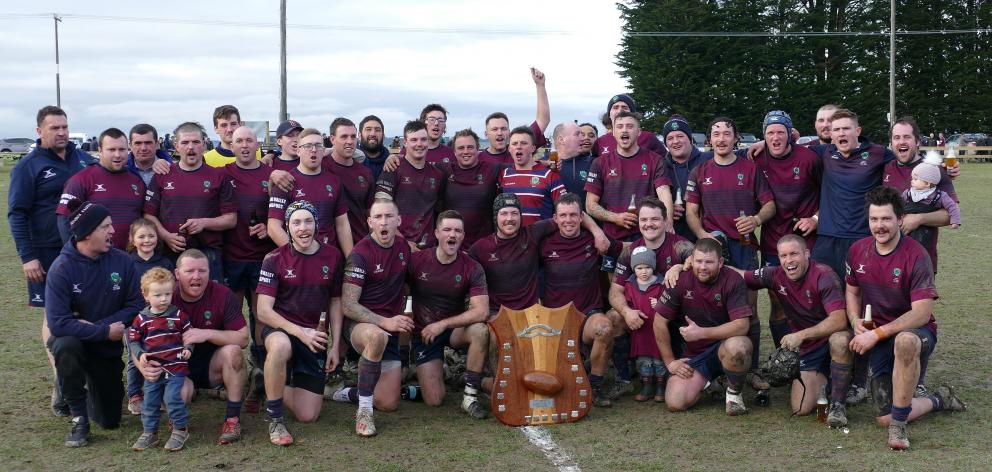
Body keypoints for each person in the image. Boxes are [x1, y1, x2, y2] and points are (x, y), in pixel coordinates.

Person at [845, 187, 966, 450]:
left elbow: (921, 313)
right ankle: (939, 400)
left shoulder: (916, 254)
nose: (880, 226)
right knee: (883, 418)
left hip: (916, 332)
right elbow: (852, 290)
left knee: (905, 342)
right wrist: (855, 320)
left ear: (900, 219)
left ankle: (899, 429)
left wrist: (876, 334)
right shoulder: (857, 250)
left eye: (886, 219)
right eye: (874, 219)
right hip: (879, 336)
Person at [8, 105, 96, 417]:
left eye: (64, 127)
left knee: (83, 309)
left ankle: (83, 377)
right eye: (54, 128)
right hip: (45, 253)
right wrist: (27, 256)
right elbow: (16, 213)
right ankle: (63, 380)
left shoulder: (82, 159)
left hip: (83, 251)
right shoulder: (28, 166)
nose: (61, 133)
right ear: (39, 131)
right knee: (54, 313)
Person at [713, 235, 853, 424]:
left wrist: (801, 335)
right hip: (809, 349)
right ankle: (831, 378)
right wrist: (691, 265)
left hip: (828, 339)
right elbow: (740, 275)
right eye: (783, 256)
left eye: (794, 254)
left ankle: (838, 405)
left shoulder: (823, 275)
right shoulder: (775, 274)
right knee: (800, 408)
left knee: (840, 340)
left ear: (807, 254)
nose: (789, 261)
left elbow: (839, 320)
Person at [686, 117, 775, 391]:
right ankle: (722, 369)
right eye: (716, 134)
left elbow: (769, 205)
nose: (721, 138)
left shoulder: (751, 169)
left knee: (748, 312)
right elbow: (691, 213)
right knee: (715, 311)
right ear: (708, 140)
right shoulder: (699, 171)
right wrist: (704, 237)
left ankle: (753, 369)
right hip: (715, 250)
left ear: (736, 138)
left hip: (745, 248)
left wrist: (756, 220)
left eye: (727, 133)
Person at [46, 202, 144, 446]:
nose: (113, 231)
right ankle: (78, 417)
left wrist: (101, 327)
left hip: (105, 348)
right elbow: (58, 324)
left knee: (110, 420)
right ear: (87, 232)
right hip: (77, 343)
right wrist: (103, 331)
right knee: (65, 345)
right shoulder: (61, 268)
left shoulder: (122, 261)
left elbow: (135, 305)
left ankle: (77, 386)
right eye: (105, 226)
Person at [137, 249, 249, 445]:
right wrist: (142, 366)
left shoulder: (222, 294)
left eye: (202, 271)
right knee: (180, 394)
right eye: (190, 271)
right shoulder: (163, 295)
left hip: (211, 366)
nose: (196, 276)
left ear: (209, 272)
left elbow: (243, 338)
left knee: (234, 352)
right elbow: (135, 338)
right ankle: (177, 420)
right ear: (177, 274)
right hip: (175, 368)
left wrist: (206, 333)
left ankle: (232, 419)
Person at [256, 201, 345, 445]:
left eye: (308, 221)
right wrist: (300, 332)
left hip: (313, 336)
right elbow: (263, 311)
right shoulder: (274, 258)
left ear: (317, 226)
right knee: (281, 347)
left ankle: (267, 380)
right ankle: (275, 420)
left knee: (309, 415)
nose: (302, 228)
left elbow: (336, 302)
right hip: (282, 328)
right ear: (287, 227)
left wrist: (335, 346)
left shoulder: (333, 256)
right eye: (296, 222)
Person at [402, 210, 490, 418]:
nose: (452, 235)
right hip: (424, 333)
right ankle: (429, 377)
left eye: (458, 231)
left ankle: (469, 396)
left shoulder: (472, 267)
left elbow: (482, 310)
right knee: (434, 400)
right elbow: (398, 295)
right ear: (436, 233)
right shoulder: (417, 261)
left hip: (452, 330)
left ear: (463, 236)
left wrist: (443, 324)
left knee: (480, 331)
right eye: (447, 230)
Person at [653, 238, 754, 415]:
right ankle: (711, 382)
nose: (703, 267)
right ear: (691, 260)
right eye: (699, 261)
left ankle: (734, 395)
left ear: (720, 262)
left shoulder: (732, 279)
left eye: (709, 262)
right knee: (675, 402)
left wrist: (701, 333)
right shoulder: (679, 279)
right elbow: (659, 322)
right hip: (695, 355)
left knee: (738, 346)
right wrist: (670, 363)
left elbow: (742, 326)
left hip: (724, 346)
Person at [339, 198, 413, 437]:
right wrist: (385, 321)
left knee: (389, 403)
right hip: (360, 326)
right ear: (370, 222)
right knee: (377, 336)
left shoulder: (404, 249)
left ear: (398, 221)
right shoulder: (360, 254)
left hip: (388, 330)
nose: (384, 222)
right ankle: (363, 412)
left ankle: (347, 393)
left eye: (389, 217)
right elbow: (348, 305)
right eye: (378, 217)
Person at [540, 193, 623, 407]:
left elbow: (626, 250)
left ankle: (594, 387)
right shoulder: (543, 243)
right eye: (563, 215)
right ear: (555, 218)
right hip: (554, 320)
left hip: (588, 315)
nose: (568, 220)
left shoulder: (593, 240)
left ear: (581, 217)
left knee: (605, 328)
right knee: (555, 386)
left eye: (573, 215)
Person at [750, 111, 822, 349]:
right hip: (773, 240)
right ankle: (785, 353)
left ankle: (814, 350)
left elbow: (831, 194)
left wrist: (815, 218)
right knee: (778, 299)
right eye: (770, 133)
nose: (775, 137)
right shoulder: (755, 158)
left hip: (806, 239)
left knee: (812, 295)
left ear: (790, 134)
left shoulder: (809, 158)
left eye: (780, 132)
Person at [608, 197, 692, 398]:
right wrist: (627, 311)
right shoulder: (630, 251)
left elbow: (697, 260)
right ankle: (626, 378)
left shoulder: (679, 245)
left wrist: (679, 266)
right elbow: (615, 290)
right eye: (644, 220)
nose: (649, 224)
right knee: (614, 318)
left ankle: (705, 372)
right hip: (643, 317)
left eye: (655, 219)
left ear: (665, 221)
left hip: (676, 315)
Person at [468, 193, 607, 315]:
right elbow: (462, 269)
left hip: (531, 313)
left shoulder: (532, 234)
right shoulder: (481, 247)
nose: (509, 218)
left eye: (514, 213)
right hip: (496, 313)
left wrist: (598, 232)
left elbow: (569, 216)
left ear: (520, 216)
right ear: (495, 217)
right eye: (504, 213)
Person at [222, 126, 277, 412]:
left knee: (261, 318)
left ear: (258, 144)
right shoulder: (223, 173)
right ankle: (230, 375)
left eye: (249, 140)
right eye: (238, 141)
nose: (244, 145)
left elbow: (281, 214)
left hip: (262, 258)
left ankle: (260, 373)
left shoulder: (271, 175)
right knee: (231, 318)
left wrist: (266, 228)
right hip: (231, 257)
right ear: (230, 145)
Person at [143, 122, 237, 281]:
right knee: (170, 303)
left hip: (208, 254)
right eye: (185, 142)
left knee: (210, 304)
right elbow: (148, 215)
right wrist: (166, 236)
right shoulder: (163, 174)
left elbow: (231, 219)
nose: (190, 147)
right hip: (170, 253)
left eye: (196, 142)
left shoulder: (218, 176)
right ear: (176, 146)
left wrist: (204, 223)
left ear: (204, 144)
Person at [128, 267, 194, 452]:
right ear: (146, 295)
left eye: (167, 294)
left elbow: (189, 335)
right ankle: (150, 433)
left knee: (172, 398)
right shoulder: (141, 319)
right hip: (154, 370)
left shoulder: (179, 316)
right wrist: (141, 355)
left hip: (175, 368)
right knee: (149, 401)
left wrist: (188, 349)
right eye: (157, 295)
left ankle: (180, 429)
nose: (163, 299)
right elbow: (133, 340)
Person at [883, 117, 959, 273]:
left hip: (922, 257)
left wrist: (918, 219)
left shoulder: (934, 170)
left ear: (917, 141)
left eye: (907, 137)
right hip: (887, 254)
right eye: (896, 138)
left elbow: (950, 214)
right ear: (891, 143)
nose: (901, 141)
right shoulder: (884, 168)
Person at [585, 111, 674, 242]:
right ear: (613, 132)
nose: (624, 130)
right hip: (613, 240)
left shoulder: (655, 160)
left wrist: (668, 222)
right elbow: (590, 205)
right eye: (620, 126)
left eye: (630, 126)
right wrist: (615, 217)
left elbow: (664, 193)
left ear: (638, 132)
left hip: (648, 238)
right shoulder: (600, 163)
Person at [56, 128, 145, 251]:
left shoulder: (136, 180)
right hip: (96, 259)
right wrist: (77, 253)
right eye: (111, 150)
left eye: (122, 149)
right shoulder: (81, 179)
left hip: (132, 257)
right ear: (100, 150)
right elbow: (65, 220)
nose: (117, 155)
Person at [267, 127, 353, 255]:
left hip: (329, 258)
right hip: (297, 260)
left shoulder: (334, 181)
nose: (313, 150)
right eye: (308, 146)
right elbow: (273, 228)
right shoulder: (285, 181)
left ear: (324, 151)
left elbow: (342, 225)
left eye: (318, 146)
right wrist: (298, 254)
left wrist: (351, 261)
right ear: (298, 150)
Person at [124, 218, 175, 415]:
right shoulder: (127, 262)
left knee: (161, 352)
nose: (147, 240)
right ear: (132, 239)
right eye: (141, 236)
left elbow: (172, 292)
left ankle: (157, 392)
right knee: (134, 354)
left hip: (160, 319)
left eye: (151, 236)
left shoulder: (164, 263)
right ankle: (135, 393)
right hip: (135, 320)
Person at [376, 120, 446, 250]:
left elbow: (439, 212)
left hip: (428, 248)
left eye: (423, 139)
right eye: (414, 140)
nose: (419, 144)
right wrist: (403, 242)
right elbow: (380, 212)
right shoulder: (392, 168)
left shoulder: (437, 174)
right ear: (405, 143)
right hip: (396, 246)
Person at [438, 129, 503, 248]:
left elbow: (520, 167)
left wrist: (546, 163)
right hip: (452, 244)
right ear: (454, 151)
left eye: (470, 147)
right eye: (461, 148)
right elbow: (419, 164)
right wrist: (394, 158)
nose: (466, 151)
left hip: (484, 245)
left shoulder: (492, 169)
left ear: (478, 149)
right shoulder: (445, 170)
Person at [478, 68, 551, 166]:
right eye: (495, 129)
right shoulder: (477, 159)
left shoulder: (520, 146)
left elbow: (543, 120)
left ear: (509, 132)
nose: (500, 133)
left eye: (503, 129)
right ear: (486, 134)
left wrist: (540, 85)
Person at [498, 126, 565, 227]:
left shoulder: (550, 175)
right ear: (509, 149)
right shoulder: (504, 175)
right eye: (514, 143)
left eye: (524, 143)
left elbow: (566, 209)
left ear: (533, 148)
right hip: (512, 240)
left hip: (541, 240)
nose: (518, 147)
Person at [623, 246, 666, 402]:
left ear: (653, 267)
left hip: (657, 330)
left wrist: (661, 304)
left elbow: (672, 305)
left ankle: (661, 387)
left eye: (648, 267)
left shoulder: (662, 284)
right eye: (639, 268)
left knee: (658, 358)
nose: (644, 271)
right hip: (640, 331)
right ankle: (647, 387)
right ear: (634, 269)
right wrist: (630, 312)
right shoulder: (630, 285)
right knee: (643, 360)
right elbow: (626, 304)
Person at [659, 115, 710, 242]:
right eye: (670, 138)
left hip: (708, 234)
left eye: (680, 136)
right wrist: (666, 209)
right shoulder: (659, 166)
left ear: (690, 139)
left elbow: (737, 156)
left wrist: (761, 143)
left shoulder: (709, 159)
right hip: (676, 237)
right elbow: (650, 197)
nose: (675, 141)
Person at [900, 163, 962, 251]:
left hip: (925, 232)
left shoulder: (939, 195)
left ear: (927, 183)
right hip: (906, 230)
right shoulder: (908, 193)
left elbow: (952, 207)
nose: (911, 181)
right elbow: (899, 204)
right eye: (912, 178)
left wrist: (955, 221)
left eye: (915, 179)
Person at [592, 94, 665, 157]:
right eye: (615, 107)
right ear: (609, 114)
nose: (620, 111)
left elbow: (665, 162)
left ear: (632, 113)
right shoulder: (600, 141)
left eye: (624, 107)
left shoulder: (648, 138)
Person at [553, 122, 593, 205]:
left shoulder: (592, 163)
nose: (583, 138)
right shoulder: (546, 165)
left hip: (585, 217)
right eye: (577, 134)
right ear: (561, 140)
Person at [359, 115, 390, 181]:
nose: (373, 134)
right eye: (368, 129)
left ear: (383, 136)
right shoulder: (350, 161)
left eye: (377, 130)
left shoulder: (392, 164)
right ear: (359, 135)